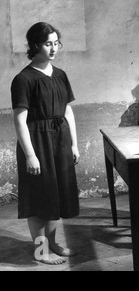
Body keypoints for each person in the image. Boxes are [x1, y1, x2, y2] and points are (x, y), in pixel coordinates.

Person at [11, 22, 80, 265]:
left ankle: (52, 243)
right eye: (47, 43)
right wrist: (30, 155)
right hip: (37, 142)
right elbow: (19, 120)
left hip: (60, 140)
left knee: (57, 196)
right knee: (40, 199)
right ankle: (41, 250)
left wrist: (74, 144)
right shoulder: (24, 79)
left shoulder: (60, 74)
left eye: (55, 43)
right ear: (35, 46)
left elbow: (67, 111)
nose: (53, 48)